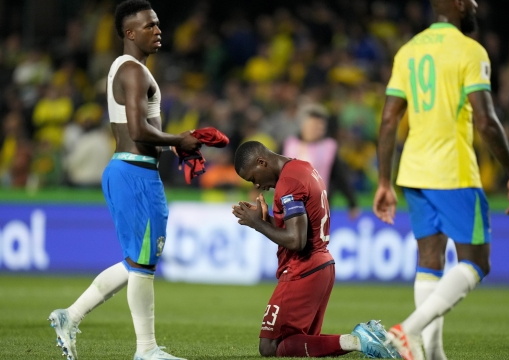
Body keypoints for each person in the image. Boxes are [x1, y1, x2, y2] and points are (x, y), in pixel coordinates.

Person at [48, 1, 201, 360]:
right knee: (143, 264)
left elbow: (140, 130)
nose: (158, 30)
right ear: (129, 33)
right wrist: (178, 140)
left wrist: (173, 146)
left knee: (137, 261)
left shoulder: (129, 69)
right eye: (149, 26)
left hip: (132, 170)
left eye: (158, 24)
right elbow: (136, 129)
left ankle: (70, 316)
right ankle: (146, 350)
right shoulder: (133, 71)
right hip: (134, 173)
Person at [373, 1, 509, 359]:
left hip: (412, 170)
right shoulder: (470, 51)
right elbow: (486, 121)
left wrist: (384, 181)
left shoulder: (407, 51)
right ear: (457, 4)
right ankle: (406, 332)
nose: (475, 5)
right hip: (452, 170)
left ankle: (433, 354)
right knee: (477, 261)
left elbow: (389, 120)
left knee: (430, 260)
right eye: (471, 0)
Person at [232, 141, 398, 358]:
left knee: (269, 347)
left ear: (261, 162)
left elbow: (296, 240)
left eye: (253, 178)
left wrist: (257, 224)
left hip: (303, 269)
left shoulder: (288, 183)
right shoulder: (302, 167)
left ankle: (360, 340)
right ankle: (363, 340)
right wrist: (268, 221)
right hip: (320, 266)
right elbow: (301, 228)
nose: (256, 185)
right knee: (296, 344)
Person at [282, 107, 360, 219]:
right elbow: (273, 169)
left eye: (320, 127)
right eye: (313, 126)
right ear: (303, 126)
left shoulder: (329, 147)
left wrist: (352, 203)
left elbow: (339, 175)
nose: (317, 131)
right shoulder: (290, 144)